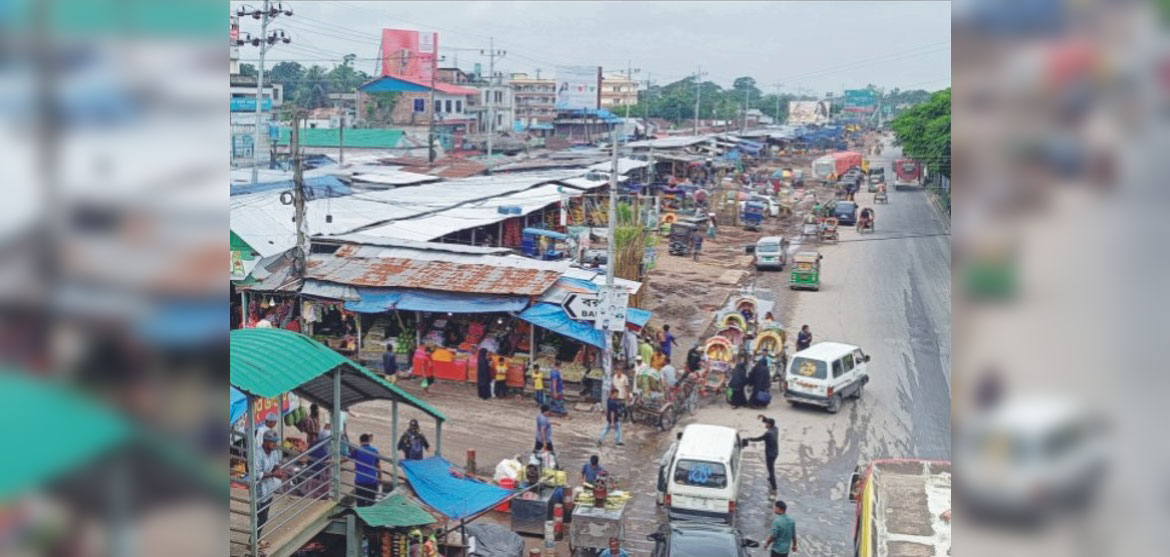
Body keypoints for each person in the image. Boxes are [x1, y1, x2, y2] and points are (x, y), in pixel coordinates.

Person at [253, 430, 288, 541]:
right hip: (259, 490)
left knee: (264, 515)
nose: (274, 444)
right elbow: (256, 474)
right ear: (265, 441)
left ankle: (256, 538)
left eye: (275, 442)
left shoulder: (274, 452)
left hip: (269, 489)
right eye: (272, 442)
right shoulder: (257, 454)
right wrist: (274, 474)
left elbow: (276, 463)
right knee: (261, 516)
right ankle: (254, 540)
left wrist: (279, 470)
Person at [747, 416, 780, 494]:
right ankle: (770, 478)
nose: (765, 424)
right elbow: (771, 422)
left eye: (766, 423)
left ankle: (774, 487)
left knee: (771, 470)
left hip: (770, 454)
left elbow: (759, 438)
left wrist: (749, 438)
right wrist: (763, 418)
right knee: (771, 467)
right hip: (775, 452)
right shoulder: (775, 429)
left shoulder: (768, 433)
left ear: (769, 424)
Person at [353, 433, 382, 507]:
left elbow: (345, 458)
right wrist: (380, 480)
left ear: (360, 441)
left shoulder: (356, 450)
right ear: (369, 441)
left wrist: (334, 461)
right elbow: (378, 466)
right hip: (371, 481)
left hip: (360, 481)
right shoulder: (374, 451)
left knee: (360, 504)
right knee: (371, 504)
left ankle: (360, 517)